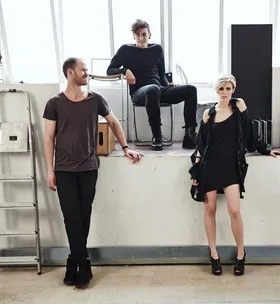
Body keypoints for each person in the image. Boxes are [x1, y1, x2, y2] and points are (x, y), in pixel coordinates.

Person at [43, 57, 142, 288]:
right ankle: (82, 262)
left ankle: (74, 262)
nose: (87, 73)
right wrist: (49, 170)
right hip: (64, 169)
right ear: (70, 73)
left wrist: (125, 147)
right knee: (71, 217)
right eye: (83, 70)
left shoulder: (95, 99)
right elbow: (48, 138)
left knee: (84, 215)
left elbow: (114, 122)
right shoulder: (54, 103)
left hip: (89, 168)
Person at [189, 74, 280, 276]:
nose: (225, 92)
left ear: (234, 90)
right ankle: (213, 254)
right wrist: (196, 170)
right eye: (221, 89)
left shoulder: (239, 106)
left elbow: (250, 132)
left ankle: (241, 254)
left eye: (228, 89)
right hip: (210, 167)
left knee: (234, 211)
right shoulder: (208, 113)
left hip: (231, 167)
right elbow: (201, 147)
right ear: (216, 90)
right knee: (210, 210)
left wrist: (265, 149)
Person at [106, 19, 198, 151]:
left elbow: (161, 74)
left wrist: (168, 85)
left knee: (190, 89)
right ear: (133, 36)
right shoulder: (126, 49)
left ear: (150, 34)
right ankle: (157, 136)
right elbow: (109, 70)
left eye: (143, 34)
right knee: (152, 89)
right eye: (137, 34)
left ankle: (190, 136)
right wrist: (125, 70)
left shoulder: (157, 49)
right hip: (139, 93)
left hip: (159, 89)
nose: (141, 37)